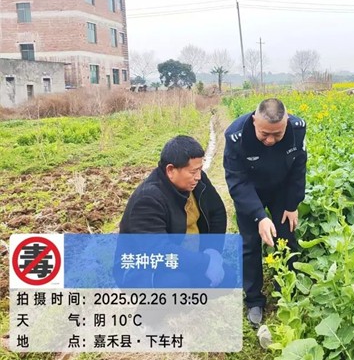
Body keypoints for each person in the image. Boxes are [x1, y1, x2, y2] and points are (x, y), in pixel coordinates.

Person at [223, 98, 307, 327]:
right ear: (254, 121)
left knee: (286, 238)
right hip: (251, 194)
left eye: (277, 135)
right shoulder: (236, 136)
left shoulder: (297, 129)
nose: (270, 140)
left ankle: (285, 293)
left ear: (286, 122)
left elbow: (299, 167)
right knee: (250, 245)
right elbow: (237, 182)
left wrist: (292, 205)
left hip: (281, 192)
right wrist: (259, 216)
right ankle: (254, 301)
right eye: (264, 134)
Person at [118, 135, 227, 287]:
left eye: (200, 169)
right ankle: (149, 309)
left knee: (228, 276)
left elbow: (217, 213)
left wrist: (212, 252)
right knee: (177, 283)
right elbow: (158, 251)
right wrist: (204, 263)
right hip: (144, 269)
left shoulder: (198, 182)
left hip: (186, 259)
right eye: (193, 172)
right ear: (170, 170)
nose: (198, 177)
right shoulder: (148, 199)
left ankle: (185, 301)